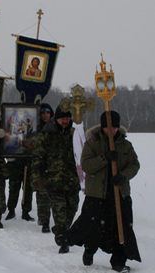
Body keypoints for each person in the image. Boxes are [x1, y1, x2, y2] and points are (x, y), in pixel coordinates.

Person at [63, 111, 141, 272]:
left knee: (122, 228)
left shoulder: (126, 145)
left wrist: (122, 176)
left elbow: (134, 165)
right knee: (94, 226)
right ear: (103, 127)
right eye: (107, 127)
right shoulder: (93, 143)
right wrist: (105, 158)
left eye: (114, 127)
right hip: (97, 195)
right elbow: (86, 165)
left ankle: (119, 261)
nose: (111, 131)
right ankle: (89, 250)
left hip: (120, 194)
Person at [32, 106, 80, 254]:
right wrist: (36, 178)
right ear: (56, 118)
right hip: (54, 180)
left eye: (67, 118)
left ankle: (62, 230)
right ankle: (62, 238)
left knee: (72, 207)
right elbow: (38, 158)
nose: (65, 121)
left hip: (72, 180)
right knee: (60, 210)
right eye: (62, 118)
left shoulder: (75, 134)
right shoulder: (46, 135)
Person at [33, 103, 55, 233]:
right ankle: (44, 220)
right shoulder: (35, 127)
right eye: (43, 113)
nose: (45, 115)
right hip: (40, 164)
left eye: (48, 113)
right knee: (41, 193)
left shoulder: (55, 127)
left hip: (53, 165)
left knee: (54, 193)